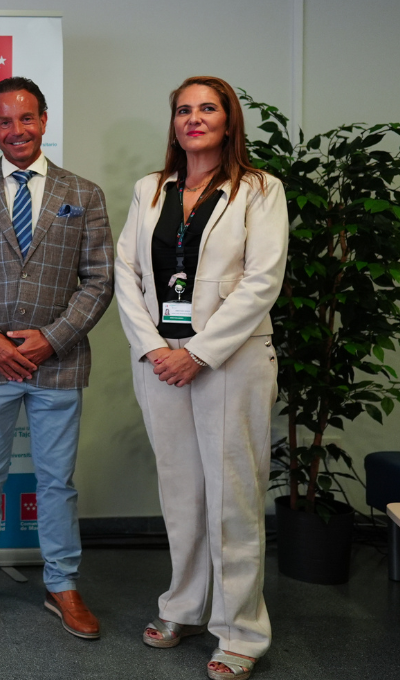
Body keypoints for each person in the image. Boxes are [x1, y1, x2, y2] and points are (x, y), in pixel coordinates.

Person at [114, 76, 288, 680]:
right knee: (181, 493)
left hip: (231, 361)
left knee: (234, 498)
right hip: (162, 359)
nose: (194, 118)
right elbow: (127, 276)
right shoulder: (150, 190)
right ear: (174, 124)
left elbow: (262, 281)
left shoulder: (260, 190)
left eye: (207, 108)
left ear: (228, 120)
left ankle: (241, 629)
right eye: (183, 110)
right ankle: (184, 605)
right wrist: (157, 348)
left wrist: (200, 353)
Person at [0, 76, 114, 638]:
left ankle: (62, 584)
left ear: (44, 120)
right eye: (4, 121)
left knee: (57, 481)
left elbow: (100, 279)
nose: (17, 130)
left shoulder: (82, 194)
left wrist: (51, 338)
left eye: (27, 118)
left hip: (56, 362)